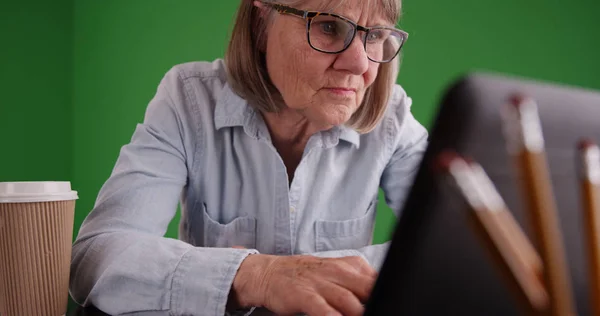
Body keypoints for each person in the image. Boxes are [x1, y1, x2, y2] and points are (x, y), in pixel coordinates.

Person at [69, 0, 428, 315]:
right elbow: (97, 259)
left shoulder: (393, 118)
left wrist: (302, 274)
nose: (359, 64)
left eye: (375, 35)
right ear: (260, 26)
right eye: (328, 27)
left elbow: (462, 253)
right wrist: (258, 276)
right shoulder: (188, 100)